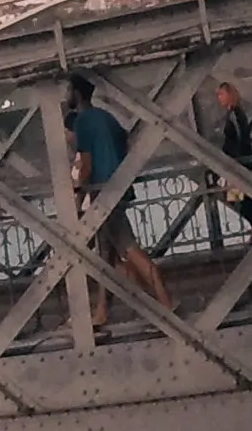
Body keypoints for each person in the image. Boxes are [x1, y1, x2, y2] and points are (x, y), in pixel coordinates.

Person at [65, 72, 172, 311]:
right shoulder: (108, 118)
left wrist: (77, 201)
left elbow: (87, 166)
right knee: (106, 258)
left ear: (78, 94)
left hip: (103, 195)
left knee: (129, 250)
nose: (65, 95)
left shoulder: (82, 121)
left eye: (68, 90)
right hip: (119, 187)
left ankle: (166, 305)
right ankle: (102, 311)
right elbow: (124, 143)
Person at [209, 79, 252, 236]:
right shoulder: (233, 113)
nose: (219, 98)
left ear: (229, 95)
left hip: (239, 160)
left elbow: (240, 138)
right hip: (237, 160)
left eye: (221, 94)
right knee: (237, 194)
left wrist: (236, 159)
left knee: (236, 195)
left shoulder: (235, 114)